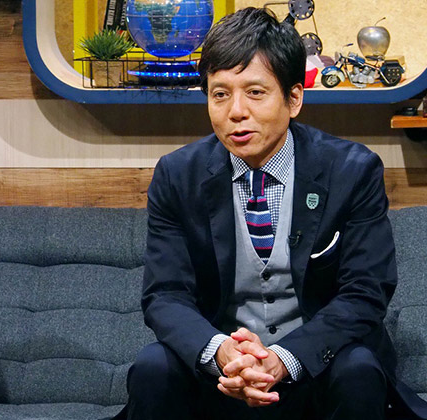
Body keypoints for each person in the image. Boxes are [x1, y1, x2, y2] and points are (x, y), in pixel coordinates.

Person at [115, 7, 427, 420]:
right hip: (222, 377)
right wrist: (222, 353)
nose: (236, 111)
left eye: (255, 92)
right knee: (153, 367)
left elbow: (365, 293)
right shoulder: (177, 175)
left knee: (359, 369)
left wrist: (283, 359)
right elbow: (165, 295)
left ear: (294, 98)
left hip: (316, 370)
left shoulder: (352, 170)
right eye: (220, 94)